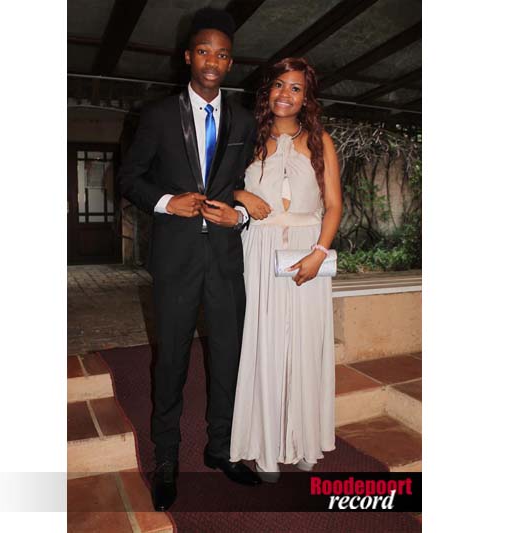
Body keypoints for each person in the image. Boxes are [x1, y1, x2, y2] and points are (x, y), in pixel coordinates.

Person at [118, 8, 261, 512]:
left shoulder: (245, 120)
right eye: (204, 51)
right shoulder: (157, 115)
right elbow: (129, 178)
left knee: (227, 357)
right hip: (175, 259)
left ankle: (221, 449)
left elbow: (248, 186)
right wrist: (165, 202)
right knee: (172, 360)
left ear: (230, 62)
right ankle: (167, 459)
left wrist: (240, 216)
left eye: (222, 55)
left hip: (224, 258)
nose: (212, 62)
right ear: (187, 56)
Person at [229, 57, 343, 482]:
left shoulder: (321, 140)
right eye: (279, 85)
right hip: (260, 249)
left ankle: (305, 440)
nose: (285, 94)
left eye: (296, 88)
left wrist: (319, 252)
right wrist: (240, 193)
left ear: (306, 97)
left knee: (305, 346)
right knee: (264, 344)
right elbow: (218, 185)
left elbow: (334, 205)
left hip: (308, 250)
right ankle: (265, 447)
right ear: (267, 90)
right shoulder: (247, 136)